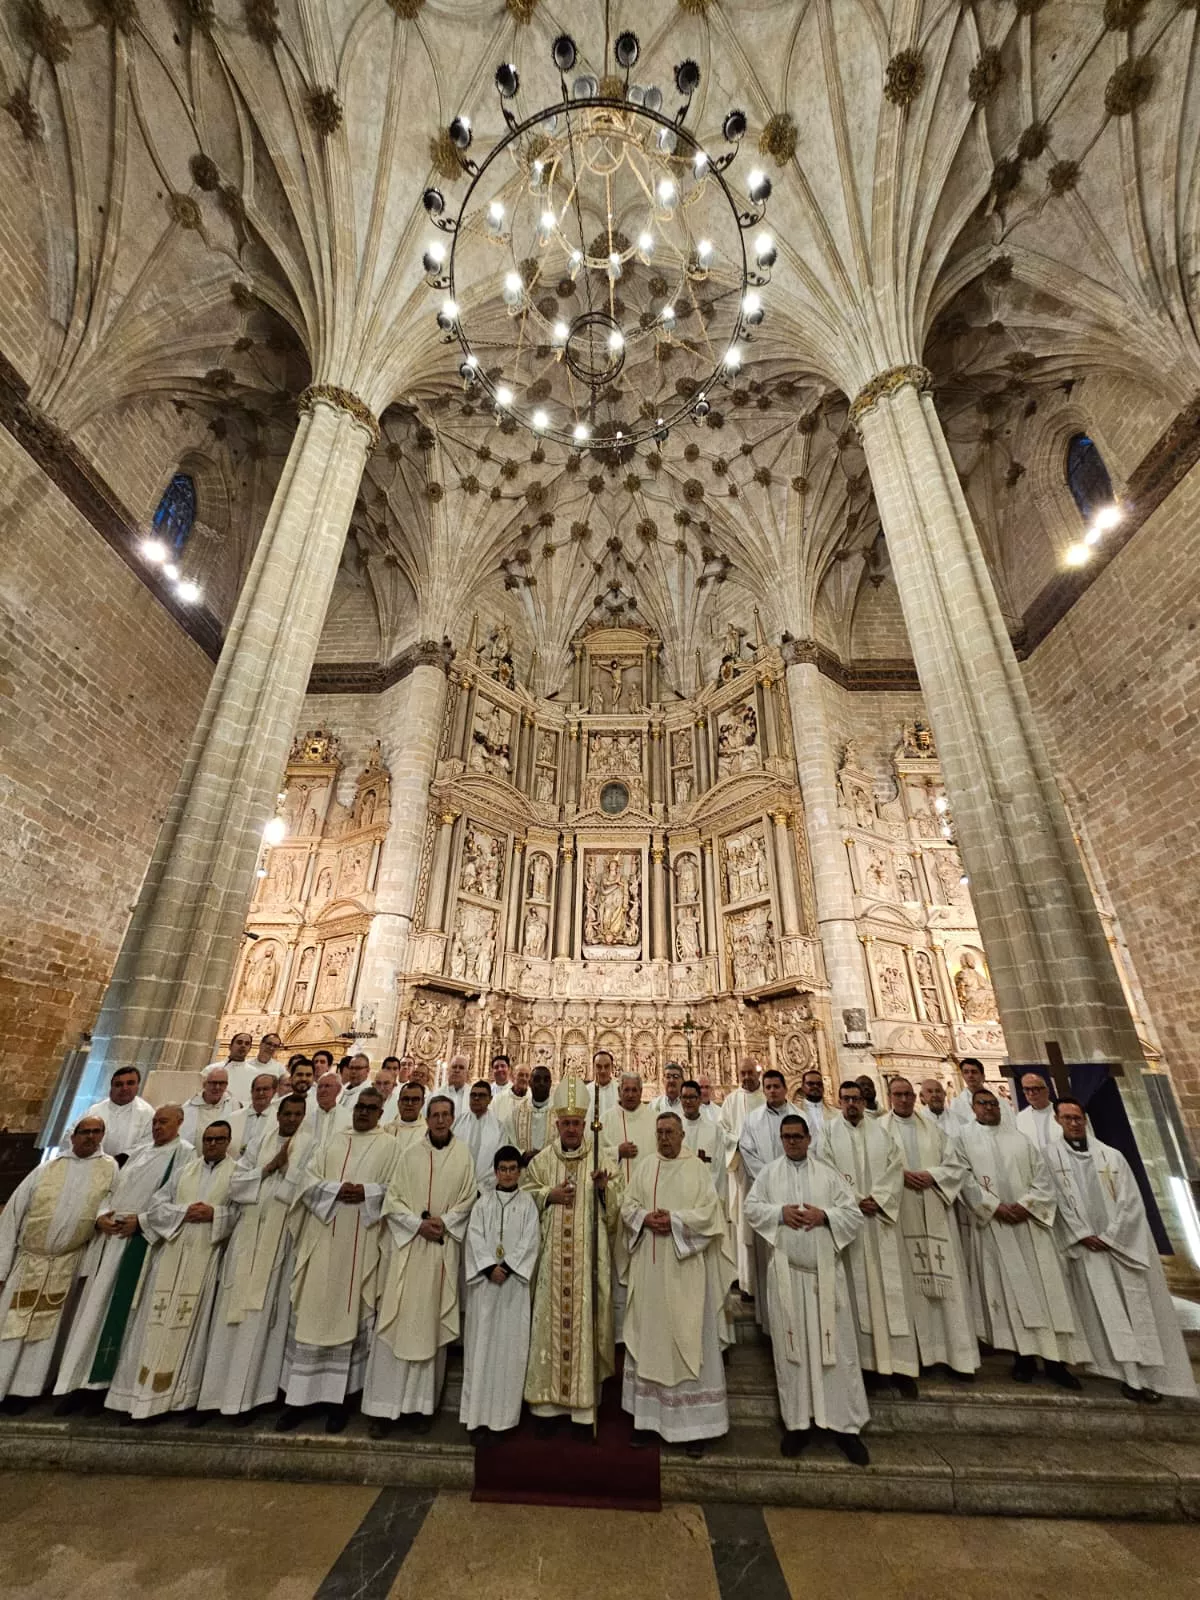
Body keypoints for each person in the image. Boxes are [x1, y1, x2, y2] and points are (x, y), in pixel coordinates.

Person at [1045, 1100, 1195, 1403]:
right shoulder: (1048, 1157)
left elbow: (1130, 1202)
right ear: (1057, 1120)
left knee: (1135, 1310)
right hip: (1084, 1247)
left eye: (1077, 1117)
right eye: (1067, 1118)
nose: (1073, 1123)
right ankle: (1121, 1372)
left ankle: (1144, 1376)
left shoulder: (1112, 1157)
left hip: (1118, 1247)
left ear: (1085, 1119)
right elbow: (1054, 1198)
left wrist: (1111, 1236)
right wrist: (1082, 1234)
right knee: (1105, 1310)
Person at [745, 1114, 870, 1465]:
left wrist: (825, 1216)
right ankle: (797, 1424)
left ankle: (846, 1427)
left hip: (824, 1277)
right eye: (786, 1137)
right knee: (792, 1350)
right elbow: (752, 1208)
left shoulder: (828, 1175)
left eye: (798, 1136)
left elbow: (853, 1215)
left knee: (838, 1351)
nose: (792, 1142)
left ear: (809, 1137)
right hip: (787, 1274)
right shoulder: (769, 1174)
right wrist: (780, 1214)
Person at [277, 1088, 399, 1433]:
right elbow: (308, 1181)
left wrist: (367, 1192)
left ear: (380, 1112)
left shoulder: (389, 1146)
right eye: (360, 1107)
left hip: (360, 1240)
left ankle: (339, 1401)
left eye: (371, 1108)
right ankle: (297, 1399)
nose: (363, 1113)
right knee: (312, 1314)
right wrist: (335, 1190)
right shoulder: (331, 1142)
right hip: (323, 1236)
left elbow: (395, 1188)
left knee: (349, 1317)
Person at [54, 1104, 189, 1409]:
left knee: (124, 1314)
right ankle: (77, 1383)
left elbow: (176, 1199)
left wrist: (141, 1222)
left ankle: (105, 1386)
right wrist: (101, 1216)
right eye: (155, 1122)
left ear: (180, 1123)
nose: (158, 1127)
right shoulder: (138, 1152)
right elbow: (110, 1191)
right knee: (92, 1312)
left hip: (140, 1242)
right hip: (111, 1239)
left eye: (164, 1122)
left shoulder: (184, 1154)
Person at [105, 1121, 237, 1420]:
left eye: (219, 1139)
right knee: (155, 1319)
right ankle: (139, 1397)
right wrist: (184, 1212)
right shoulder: (185, 1171)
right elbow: (157, 1205)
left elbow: (240, 1213)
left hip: (206, 1255)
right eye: (208, 1138)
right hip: (172, 1253)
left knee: (193, 1324)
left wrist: (215, 1213)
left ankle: (179, 1398)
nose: (213, 1144)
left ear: (228, 1141)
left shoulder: (236, 1173)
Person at [958, 1088, 1088, 1388]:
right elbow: (963, 1177)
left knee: (1049, 1293)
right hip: (996, 1225)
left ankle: (1058, 1363)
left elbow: (1043, 1178)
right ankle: (1023, 1358)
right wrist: (994, 1207)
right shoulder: (963, 1139)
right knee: (1011, 1295)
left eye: (993, 1104)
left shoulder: (1020, 1139)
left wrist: (1026, 1205)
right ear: (973, 1107)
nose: (989, 1108)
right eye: (982, 1104)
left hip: (1030, 1225)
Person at [363, 1095, 477, 1435]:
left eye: (446, 1115)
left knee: (429, 1324)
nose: (441, 1121)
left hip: (440, 1250)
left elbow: (469, 1197)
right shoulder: (409, 1154)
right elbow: (393, 1199)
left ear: (453, 1118)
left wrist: (444, 1222)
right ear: (427, 1120)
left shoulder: (463, 1156)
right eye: (435, 1115)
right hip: (408, 1251)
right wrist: (417, 1225)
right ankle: (383, 1408)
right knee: (397, 1322)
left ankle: (420, 1407)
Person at [621, 1113, 733, 1456]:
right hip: (651, 1271)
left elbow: (710, 1213)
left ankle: (694, 1427)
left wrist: (674, 1220)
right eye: (659, 1132)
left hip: (685, 1270)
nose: (664, 1138)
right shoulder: (645, 1166)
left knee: (689, 1339)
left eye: (670, 1132)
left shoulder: (695, 1168)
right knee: (649, 1336)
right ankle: (647, 1420)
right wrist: (643, 1218)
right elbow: (628, 1205)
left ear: (682, 1134)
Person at [198, 1094, 313, 1420]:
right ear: (278, 1114)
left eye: (297, 1114)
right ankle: (212, 1396)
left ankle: (254, 1396)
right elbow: (234, 1184)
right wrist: (269, 1167)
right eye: (287, 1113)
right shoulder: (259, 1142)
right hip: (247, 1236)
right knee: (228, 1315)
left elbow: (305, 1188)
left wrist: (288, 1173)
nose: (291, 1119)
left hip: (280, 1240)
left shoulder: (309, 1145)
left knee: (266, 1319)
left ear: (305, 1116)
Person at [522, 1075, 622, 1433]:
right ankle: (547, 1406)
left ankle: (582, 1407)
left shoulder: (601, 1159)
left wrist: (602, 1190)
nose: (571, 1129)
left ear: (585, 1125)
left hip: (587, 1262)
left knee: (584, 1322)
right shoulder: (543, 1162)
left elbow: (616, 1211)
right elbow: (523, 1195)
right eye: (565, 1123)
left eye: (576, 1124)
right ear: (557, 1124)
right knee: (550, 1321)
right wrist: (549, 1194)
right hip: (552, 1262)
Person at [0, 1117, 116, 1409]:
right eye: (85, 1132)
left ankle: (28, 1390)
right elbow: (13, 1213)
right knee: (10, 1327)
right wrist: (3, 1264)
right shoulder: (48, 1168)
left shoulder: (109, 1168)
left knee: (48, 1334)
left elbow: (109, 1207)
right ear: (73, 1136)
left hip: (68, 1262)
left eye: (96, 1132)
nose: (91, 1138)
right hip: (30, 1260)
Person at [877, 1077, 979, 1381]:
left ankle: (956, 1355)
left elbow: (955, 1165)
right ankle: (916, 1356)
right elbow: (875, 1167)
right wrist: (902, 1177)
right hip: (902, 1211)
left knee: (949, 1284)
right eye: (899, 1094)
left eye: (909, 1095)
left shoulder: (934, 1130)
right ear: (890, 1096)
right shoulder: (880, 1130)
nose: (905, 1099)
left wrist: (932, 1175)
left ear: (916, 1097)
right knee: (907, 1286)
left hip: (934, 1208)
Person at [821, 1079, 915, 1396]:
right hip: (851, 1224)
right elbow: (825, 1171)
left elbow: (895, 1167)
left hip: (881, 1222)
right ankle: (865, 1365)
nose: (851, 1104)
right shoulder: (827, 1134)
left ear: (864, 1101)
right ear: (838, 1101)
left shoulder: (882, 1132)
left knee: (893, 1292)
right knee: (856, 1294)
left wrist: (879, 1198)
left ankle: (902, 1367)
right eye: (845, 1099)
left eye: (856, 1099)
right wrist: (854, 1200)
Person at [459, 1145, 539, 1438]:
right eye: (502, 1169)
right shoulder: (483, 1204)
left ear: (520, 1171)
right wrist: (488, 1267)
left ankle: (503, 1420)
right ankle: (477, 1417)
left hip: (512, 1290)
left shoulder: (528, 1203)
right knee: (480, 1351)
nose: (507, 1174)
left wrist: (508, 1266)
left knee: (509, 1353)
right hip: (486, 1288)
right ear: (495, 1172)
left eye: (512, 1169)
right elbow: (474, 1238)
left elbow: (531, 1240)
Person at [599, 1071, 657, 1339]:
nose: (631, 1094)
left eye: (635, 1090)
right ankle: (618, 1333)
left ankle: (647, 1330)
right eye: (626, 1090)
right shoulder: (607, 1119)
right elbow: (595, 1153)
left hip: (646, 1207)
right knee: (616, 1271)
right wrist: (616, 1153)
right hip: (615, 1207)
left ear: (641, 1091)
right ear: (619, 1091)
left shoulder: (653, 1118)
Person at [739, 1068, 793, 1331]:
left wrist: (788, 1180)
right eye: (768, 1087)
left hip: (796, 1194)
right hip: (766, 1196)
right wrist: (772, 1180)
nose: (772, 1091)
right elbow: (747, 1152)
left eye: (775, 1086)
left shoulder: (799, 1117)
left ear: (784, 1088)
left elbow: (811, 1149)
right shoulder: (752, 1120)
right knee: (765, 1260)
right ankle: (769, 1322)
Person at [720, 1058, 765, 1299]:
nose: (746, 1077)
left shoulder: (768, 1098)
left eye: (750, 1072)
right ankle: (746, 1280)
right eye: (743, 1073)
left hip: (767, 1174)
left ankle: (766, 1281)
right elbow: (723, 1130)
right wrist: (739, 1145)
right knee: (742, 1226)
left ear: (759, 1073)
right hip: (742, 1172)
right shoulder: (731, 1101)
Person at [81, 1066, 153, 1162]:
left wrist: (120, 1159)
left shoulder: (147, 1113)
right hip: (92, 1163)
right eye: (119, 1084)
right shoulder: (94, 1111)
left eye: (130, 1083)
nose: (124, 1088)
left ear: (137, 1086)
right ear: (112, 1088)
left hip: (127, 1169)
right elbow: (73, 1136)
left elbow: (147, 1144)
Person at [454, 1081, 504, 1193]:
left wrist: (481, 1188)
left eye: (481, 1095)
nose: (476, 1098)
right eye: (473, 1095)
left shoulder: (499, 1128)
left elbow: (499, 1161)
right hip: (456, 1187)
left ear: (490, 1099)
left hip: (485, 1191)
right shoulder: (458, 1122)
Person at [680, 1079, 726, 1196]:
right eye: (684, 1097)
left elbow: (720, 1167)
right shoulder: (675, 1128)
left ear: (700, 1099)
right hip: (680, 1192)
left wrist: (714, 1195)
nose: (688, 1101)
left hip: (708, 1193)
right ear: (680, 1100)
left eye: (692, 1097)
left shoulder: (714, 1129)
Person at [181, 1065, 243, 1148]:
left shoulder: (234, 1106)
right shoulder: (189, 1107)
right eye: (213, 1083)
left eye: (222, 1083)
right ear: (204, 1084)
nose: (217, 1087)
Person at [947, 1058, 1013, 1130]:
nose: (970, 1075)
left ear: (983, 1076)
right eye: (966, 1072)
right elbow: (956, 1130)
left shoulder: (1001, 1102)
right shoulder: (957, 1104)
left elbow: (1012, 1124)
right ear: (962, 1076)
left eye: (974, 1072)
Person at [507, 1063, 554, 1161]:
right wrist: (523, 1154)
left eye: (546, 1080)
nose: (541, 1083)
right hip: (523, 1169)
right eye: (537, 1079)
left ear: (550, 1083)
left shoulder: (559, 1113)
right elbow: (509, 1139)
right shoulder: (517, 1112)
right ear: (530, 1083)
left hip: (550, 1170)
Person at [231, 1072, 281, 1160]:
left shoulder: (278, 1121)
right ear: (251, 1091)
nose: (261, 1093)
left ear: (274, 1091)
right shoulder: (233, 1118)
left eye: (265, 1089)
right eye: (257, 1089)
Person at [1016, 1071, 1063, 1151]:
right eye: (1027, 1089)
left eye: (1035, 1089)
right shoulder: (1020, 1118)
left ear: (1047, 1090)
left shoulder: (1062, 1112)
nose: (1031, 1093)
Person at [205, 1031, 254, 1103]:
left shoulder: (255, 1073)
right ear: (230, 1046)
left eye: (247, 1044)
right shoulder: (211, 1069)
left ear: (249, 1049)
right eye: (239, 1042)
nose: (243, 1046)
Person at [332, 1053, 373, 1132]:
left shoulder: (370, 1093)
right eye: (351, 1068)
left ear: (367, 1070)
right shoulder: (341, 1089)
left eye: (358, 1068)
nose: (353, 1071)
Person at [795, 1068, 831, 1146]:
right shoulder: (794, 1112)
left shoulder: (835, 1113)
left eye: (819, 1084)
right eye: (810, 1084)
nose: (815, 1086)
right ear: (803, 1087)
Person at [390, 1081, 428, 1153]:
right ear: (398, 1103)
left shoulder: (427, 1134)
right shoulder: (388, 1129)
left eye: (415, 1100)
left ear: (422, 1103)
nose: (410, 1104)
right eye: (405, 1099)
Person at [588, 1049, 620, 1123]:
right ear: (593, 1067)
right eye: (599, 1066)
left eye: (606, 1066)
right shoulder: (585, 1092)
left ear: (612, 1067)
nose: (603, 1071)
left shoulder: (620, 1091)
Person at [442, 1055, 471, 1119]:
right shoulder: (437, 1094)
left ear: (467, 1073)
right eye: (454, 1067)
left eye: (461, 1067)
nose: (457, 1070)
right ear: (448, 1071)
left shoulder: (473, 1095)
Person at [373, 1062, 401, 1128]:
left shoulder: (398, 1106)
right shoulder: (366, 1101)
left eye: (386, 1083)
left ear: (394, 1085)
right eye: (378, 1083)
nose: (382, 1088)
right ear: (373, 1085)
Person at [488, 1054, 515, 1121]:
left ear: (509, 1069)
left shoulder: (515, 1091)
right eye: (496, 1067)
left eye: (503, 1066)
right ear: (492, 1071)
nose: (500, 1069)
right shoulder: (488, 1090)